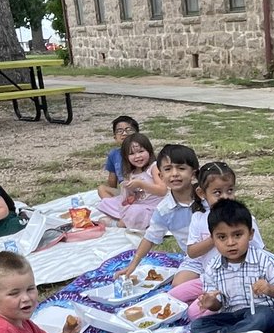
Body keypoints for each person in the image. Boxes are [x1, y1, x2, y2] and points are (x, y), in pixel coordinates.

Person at [184, 199, 274, 333]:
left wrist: (269, 289)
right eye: (222, 237)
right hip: (232, 316)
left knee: (261, 317)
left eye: (237, 235)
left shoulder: (265, 260)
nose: (230, 242)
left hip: (264, 313)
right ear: (213, 239)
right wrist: (211, 302)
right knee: (197, 326)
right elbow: (219, 305)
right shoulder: (213, 267)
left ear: (250, 234)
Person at [168, 162, 265, 319]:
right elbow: (192, 252)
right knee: (172, 297)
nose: (225, 197)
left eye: (230, 191)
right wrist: (215, 238)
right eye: (218, 193)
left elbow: (259, 251)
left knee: (194, 314)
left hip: (235, 279)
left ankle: (225, 306)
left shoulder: (243, 218)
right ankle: (209, 300)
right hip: (209, 277)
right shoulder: (199, 219)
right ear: (202, 193)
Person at [114, 144, 200, 282]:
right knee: (178, 285)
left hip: (222, 251)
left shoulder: (207, 197)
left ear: (193, 174)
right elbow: (149, 238)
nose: (174, 174)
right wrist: (133, 265)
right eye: (168, 169)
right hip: (196, 259)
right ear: (160, 175)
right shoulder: (164, 210)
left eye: (181, 168)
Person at [94, 132, 165, 230]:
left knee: (135, 211)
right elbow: (135, 196)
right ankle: (126, 218)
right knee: (108, 202)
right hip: (137, 204)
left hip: (153, 208)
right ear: (126, 157)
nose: (137, 156)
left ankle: (119, 224)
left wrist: (141, 184)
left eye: (141, 151)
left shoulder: (154, 167)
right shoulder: (132, 173)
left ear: (149, 151)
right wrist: (128, 194)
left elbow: (163, 190)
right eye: (132, 154)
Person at [97, 115, 141, 199]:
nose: (124, 133)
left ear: (137, 134)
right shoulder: (113, 154)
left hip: (142, 190)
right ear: (115, 137)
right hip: (124, 192)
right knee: (101, 189)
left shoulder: (141, 152)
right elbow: (112, 178)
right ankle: (115, 207)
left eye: (128, 130)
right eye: (119, 131)